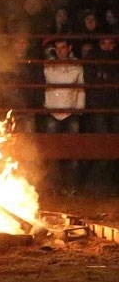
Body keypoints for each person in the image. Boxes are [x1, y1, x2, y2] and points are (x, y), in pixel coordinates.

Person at [42, 37, 85, 195]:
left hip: (71, 112)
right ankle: (54, 186)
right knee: (52, 151)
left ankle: (71, 187)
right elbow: (45, 84)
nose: (60, 51)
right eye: (57, 48)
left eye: (63, 47)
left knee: (73, 151)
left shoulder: (76, 67)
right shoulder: (49, 66)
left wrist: (79, 108)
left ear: (69, 48)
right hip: (53, 112)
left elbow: (81, 88)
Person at [83, 36, 119, 196]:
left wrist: (105, 77)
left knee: (114, 145)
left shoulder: (114, 57)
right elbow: (91, 80)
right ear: (99, 44)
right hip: (99, 107)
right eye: (104, 43)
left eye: (110, 43)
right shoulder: (93, 57)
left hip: (115, 107)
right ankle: (95, 183)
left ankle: (106, 184)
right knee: (103, 144)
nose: (107, 47)